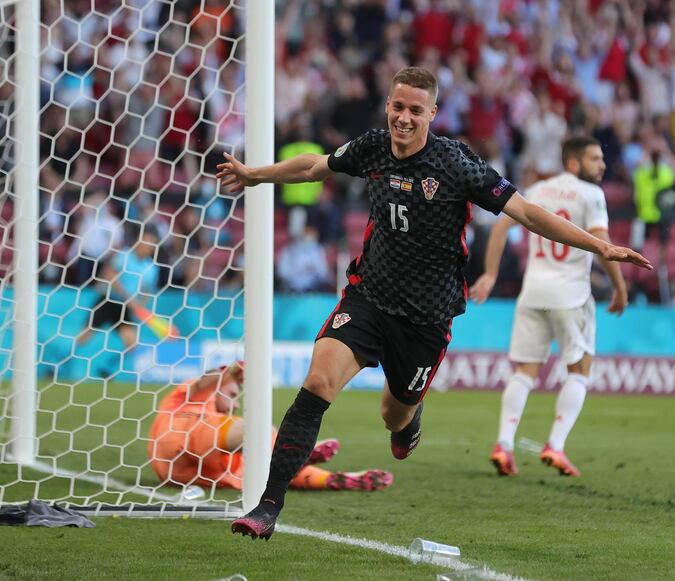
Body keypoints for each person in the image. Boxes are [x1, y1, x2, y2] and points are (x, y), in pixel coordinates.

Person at [216, 66, 651, 540]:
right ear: (388, 106)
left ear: (432, 114)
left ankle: (409, 418)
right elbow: (314, 166)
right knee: (318, 381)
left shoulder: (456, 165)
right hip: (369, 296)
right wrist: (254, 175)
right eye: (397, 107)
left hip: (426, 317)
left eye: (415, 111)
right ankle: (267, 507)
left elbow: (526, 213)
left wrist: (600, 246)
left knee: (393, 415)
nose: (404, 118)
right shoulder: (372, 147)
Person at [470, 137, 628, 478]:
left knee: (524, 372)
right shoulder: (592, 195)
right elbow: (605, 247)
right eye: (594, 159)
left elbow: (499, 228)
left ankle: (504, 444)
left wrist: (491, 274)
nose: (602, 165)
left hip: (533, 291)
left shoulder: (538, 190)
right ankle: (555, 445)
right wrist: (619, 286)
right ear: (573, 163)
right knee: (579, 371)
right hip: (570, 295)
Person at [148, 362, 392, 492]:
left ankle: (336, 479)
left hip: (189, 472)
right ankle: (300, 450)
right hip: (183, 432)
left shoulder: (223, 439)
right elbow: (203, 382)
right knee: (253, 429)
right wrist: (231, 371)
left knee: (274, 471)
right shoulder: (190, 398)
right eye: (232, 394)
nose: (235, 403)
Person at [76, 227, 161, 351]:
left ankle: (106, 368)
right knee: (84, 336)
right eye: (146, 241)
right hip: (108, 300)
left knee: (132, 345)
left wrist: (139, 307)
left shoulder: (152, 268)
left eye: (152, 244)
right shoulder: (124, 255)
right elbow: (109, 274)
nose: (148, 246)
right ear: (138, 240)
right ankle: (61, 363)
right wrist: (128, 297)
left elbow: (146, 291)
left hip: (125, 308)